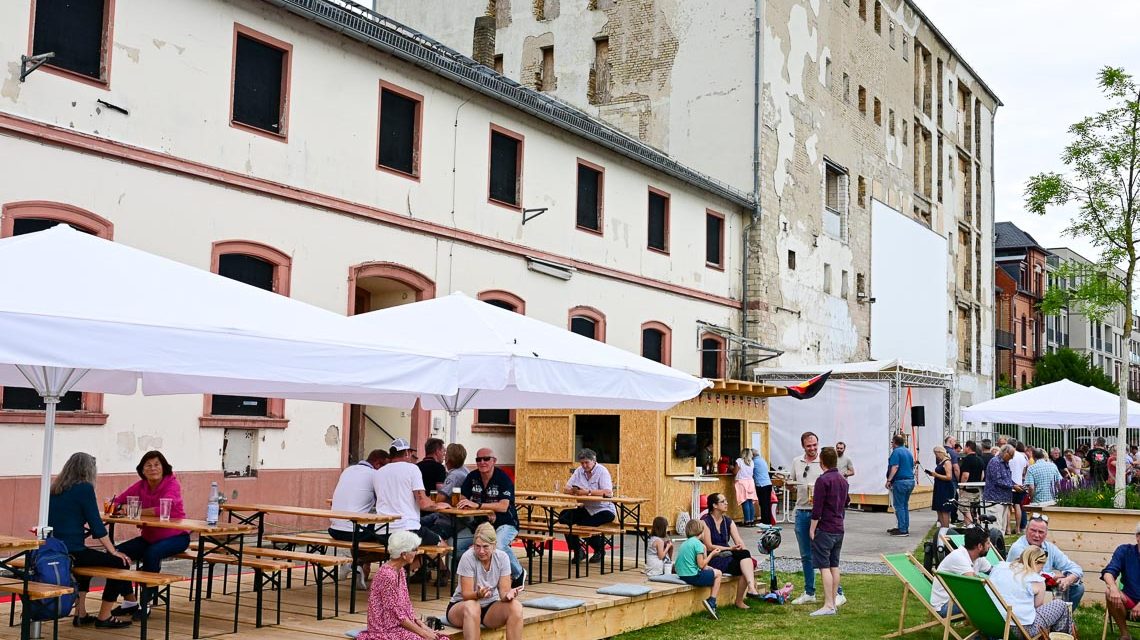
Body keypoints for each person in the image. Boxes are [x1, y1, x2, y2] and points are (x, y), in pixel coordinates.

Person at [48, 452, 134, 628]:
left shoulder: (55, 488)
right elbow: (97, 525)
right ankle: (104, 616)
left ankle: (80, 613)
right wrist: (114, 551)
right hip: (72, 551)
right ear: (89, 470)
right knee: (120, 563)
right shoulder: (84, 488)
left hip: (55, 549)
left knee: (86, 563)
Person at [111, 450, 190, 618]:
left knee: (152, 554)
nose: (153, 468)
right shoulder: (141, 485)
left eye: (156, 464)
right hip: (149, 537)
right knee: (116, 554)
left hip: (176, 537)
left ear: (164, 467)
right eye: (148, 465)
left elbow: (162, 509)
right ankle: (129, 600)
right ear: (142, 469)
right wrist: (120, 507)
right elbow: (116, 501)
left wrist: (135, 511)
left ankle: (146, 603)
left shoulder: (172, 483)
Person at [356, 530, 449, 640]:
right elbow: (396, 614)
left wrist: (422, 626)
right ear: (404, 554)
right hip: (385, 628)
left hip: (399, 624)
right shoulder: (387, 575)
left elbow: (406, 606)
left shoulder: (400, 571)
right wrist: (423, 633)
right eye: (414, 550)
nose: (417, 552)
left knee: (440, 638)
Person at [457, 448, 525, 588]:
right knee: (454, 544)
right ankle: (473, 577)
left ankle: (518, 573)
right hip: (480, 526)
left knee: (498, 545)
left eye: (486, 459)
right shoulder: (472, 477)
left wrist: (480, 506)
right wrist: (485, 509)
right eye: (478, 459)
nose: (482, 462)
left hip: (506, 523)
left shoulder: (503, 478)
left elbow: (503, 506)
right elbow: (462, 499)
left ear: (494, 461)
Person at [447, 523, 524, 640]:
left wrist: (509, 595)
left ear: (494, 545)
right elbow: (466, 594)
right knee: (473, 606)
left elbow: (503, 593)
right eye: (477, 546)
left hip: (490, 607)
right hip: (462, 606)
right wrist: (478, 594)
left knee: (516, 607)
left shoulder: (502, 557)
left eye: (485, 547)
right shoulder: (467, 557)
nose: (481, 551)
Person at [988, 546, 1075, 636]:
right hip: (1019, 630)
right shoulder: (1036, 580)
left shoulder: (999, 566)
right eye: (1041, 567)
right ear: (1037, 563)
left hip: (989, 623)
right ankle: (1060, 636)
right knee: (1060, 605)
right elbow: (1037, 607)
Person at [373, 438, 445, 545]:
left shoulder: (379, 472)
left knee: (412, 553)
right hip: (407, 529)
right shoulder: (412, 469)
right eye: (411, 453)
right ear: (407, 452)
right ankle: (398, 563)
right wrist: (438, 505)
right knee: (442, 547)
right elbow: (423, 503)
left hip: (382, 531)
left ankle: (404, 561)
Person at [330, 449, 386, 584]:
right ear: (378, 464)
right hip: (354, 532)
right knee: (389, 534)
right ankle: (358, 563)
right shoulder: (375, 475)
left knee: (363, 524)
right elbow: (385, 501)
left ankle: (360, 569)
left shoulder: (348, 470)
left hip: (334, 530)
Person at [1006, 513, 1085, 607]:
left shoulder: (1049, 547)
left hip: (1044, 585)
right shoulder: (1018, 548)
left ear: (1046, 534)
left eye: (1041, 532)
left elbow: (1077, 568)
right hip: (1023, 587)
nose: (1036, 535)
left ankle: (1063, 618)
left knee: (1078, 588)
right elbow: (1033, 574)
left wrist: (1068, 579)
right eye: (1033, 530)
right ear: (1026, 530)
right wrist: (1058, 575)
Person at [700, 492, 762, 609]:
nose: (726, 503)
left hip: (728, 554)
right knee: (744, 566)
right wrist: (730, 548)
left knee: (745, 556)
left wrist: (744, 553)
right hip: (714, 556)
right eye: (723, 501)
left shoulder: (728, 521)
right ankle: (740, 600)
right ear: (714, 505)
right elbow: (709, 546)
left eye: (726, 501)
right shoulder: (706, 521)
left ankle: (751, 589)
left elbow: (739, 541)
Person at [809, 446, 848, 616]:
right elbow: (847, 501)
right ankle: (833, 602)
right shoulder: (842, 480)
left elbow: (817, 508)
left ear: (821, 462)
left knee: (824, 566)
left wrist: (812, 528)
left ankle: (828, 604)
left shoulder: (822, 480)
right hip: (839, 527)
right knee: (834, 565)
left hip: (825, 527)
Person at [559, 448, 616, 565]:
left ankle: (599, 549)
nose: (584, 465)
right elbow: (566, 488)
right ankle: (578, 550)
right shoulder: (579, 471)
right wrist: (574, 491)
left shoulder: (602, 471)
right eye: (582, 463)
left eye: (586, 463)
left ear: (594, 461)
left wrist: (588, 492)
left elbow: (608, 492)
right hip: (586, 507)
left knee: (584, 525)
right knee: (563, 517)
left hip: (604, 508)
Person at [929, 527, 992, 617]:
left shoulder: (978, 557)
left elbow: (993, 571)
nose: (989, 546)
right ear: (980, 546)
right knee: (989, 600)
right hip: (944, 606)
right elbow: (976, 586)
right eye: (988, 543)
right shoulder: (959, 557)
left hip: (957, 599)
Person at [675, 519, 723, 619]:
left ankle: (712, 601)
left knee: (712, 571)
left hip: (682, 574)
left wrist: (708, 567)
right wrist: (712, 554)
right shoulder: (698, 544)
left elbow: (701, 566)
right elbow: (701, 565)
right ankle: (712, 601)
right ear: (701, 532)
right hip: (692, 576)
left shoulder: (685, 543)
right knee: (718, 574)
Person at [1103, 522, 1140, 638]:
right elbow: (1109, 572)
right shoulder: (1125, 551)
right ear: (1138, 537)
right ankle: (1125, 635)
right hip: (1129, 599)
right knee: (1109, 592)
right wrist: (1113, 587)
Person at [983, 444, 1018, 536]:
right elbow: (997, 480)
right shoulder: (995, 462)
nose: (1011, 458)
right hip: (994, 499)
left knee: (1002, 527)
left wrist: (1015, 484)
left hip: (1004, 500)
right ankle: (993, 547)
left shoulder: (1005, 463)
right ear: (1005, 452)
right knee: (995, 528)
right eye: (1010, 455)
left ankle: (999, 546)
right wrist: (1013, 486)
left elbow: (1007, 479)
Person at [886, 434, 916, 537]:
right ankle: (904, 526)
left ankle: (902, 530)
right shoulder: (908, 452)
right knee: (904, 505)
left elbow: (895, 467)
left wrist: (889, 480)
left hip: (900, 481)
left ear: (894, 442)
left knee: (899, 506)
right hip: (910, 481)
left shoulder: (896, 452)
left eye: (892, 442)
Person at [957, 440, 985, 525]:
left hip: (967, 490)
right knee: (974, 510)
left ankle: (970, 528)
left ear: (968, 447)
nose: (964, 449)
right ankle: (978, 526)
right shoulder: (980, 460)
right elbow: (982, 475)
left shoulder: (967, 460)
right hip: (977, 489)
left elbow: (965, 475)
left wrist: (961, 487)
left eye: (965, 447)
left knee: (965, 510)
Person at [929, 446, 956, 529]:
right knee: (939, 507)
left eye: (936, 454)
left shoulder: (947, 462)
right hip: (939, 486)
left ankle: (946, 528)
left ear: (940, 452)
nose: (936, 456)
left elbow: (949, 477)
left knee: (944, 509)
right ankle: (942, 527)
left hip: (945, 487)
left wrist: (936, 475)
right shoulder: (940, 462)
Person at [1008, 441, 1030, 534]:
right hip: (1019, 483)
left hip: (1009, 483)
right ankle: (1017, 528)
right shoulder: (1022, 456)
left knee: (1008, 506)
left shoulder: (1008, 454)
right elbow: (1025, 470)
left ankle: (1008, 528)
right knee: (1017, 506)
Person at [733, 448, 757, 526]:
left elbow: (735, 472)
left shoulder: (739, 461)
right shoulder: (752, 462)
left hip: (741, 482)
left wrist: (731, 468)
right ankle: (751, 520)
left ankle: (747, 521)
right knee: (750, 502)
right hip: (750, 482)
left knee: (745, 501)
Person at [752, 448, 775, 526]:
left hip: (761, 484)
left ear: (752, 455)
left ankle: (765, 521)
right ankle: (767, 520)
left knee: (763, 503)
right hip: (768, 483)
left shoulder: (754, 462)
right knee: (767, 503)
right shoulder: (762, 460)